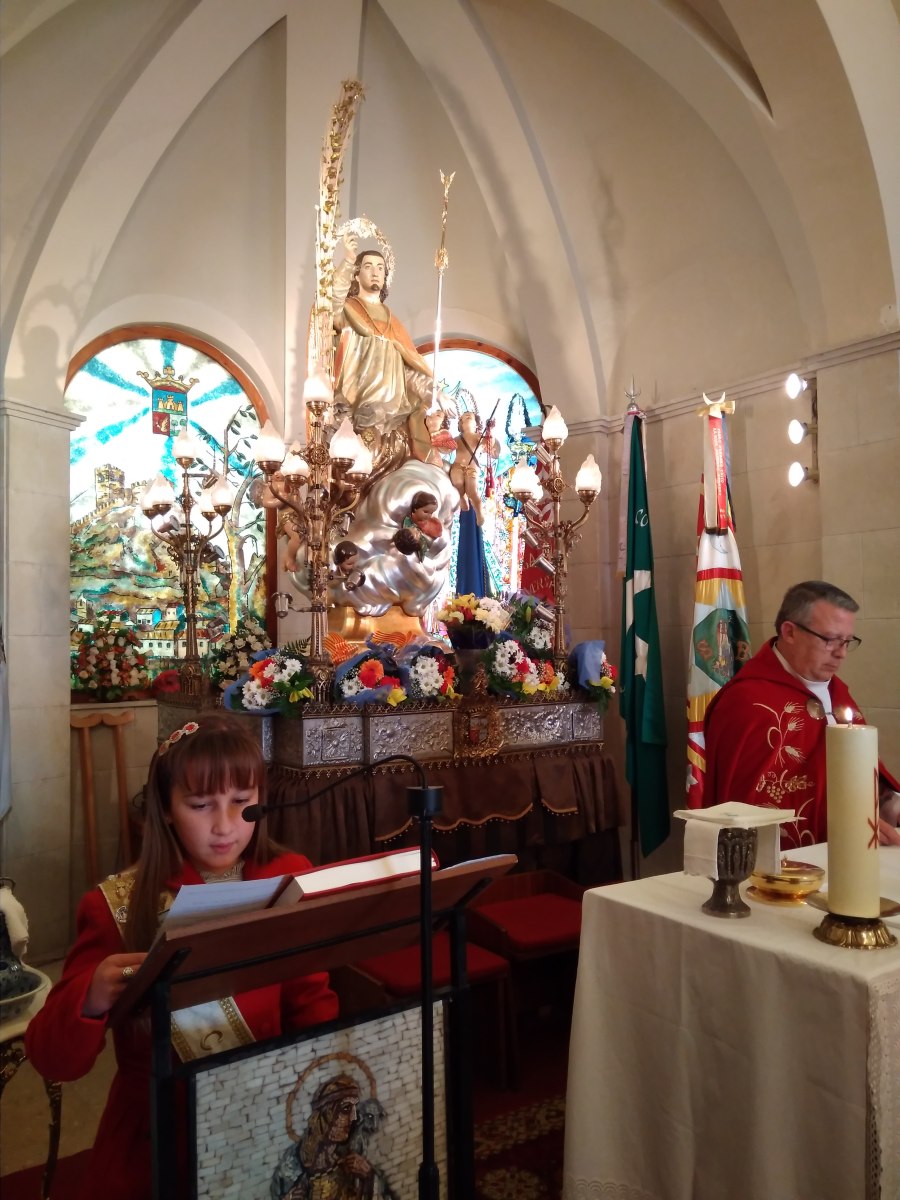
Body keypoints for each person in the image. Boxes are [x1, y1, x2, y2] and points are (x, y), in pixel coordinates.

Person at [26, 713, 338, 1200]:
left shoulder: (287, 877)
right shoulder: (117, 906)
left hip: (266, 1118)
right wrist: (89, 999)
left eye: (242, 802)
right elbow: (53, 1058)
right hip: (160, 1135)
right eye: (200, 805)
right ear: (167, 808)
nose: (225, 826)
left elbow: (310, 1001)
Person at [700, 580, 900, 849]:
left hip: (851, 850)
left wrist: (888, 803)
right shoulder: (746, 702)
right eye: (830, 640)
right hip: (785, 863)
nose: (841, 653)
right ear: (790, 632)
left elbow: (859, 768)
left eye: (847, 641)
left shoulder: (837, 693)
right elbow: (743, 807)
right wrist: (847, 822)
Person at [332, 233, 435, 462]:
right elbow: (331, 303)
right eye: (368, 266)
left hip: (395, 414)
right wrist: (348, 260)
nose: (375, 272)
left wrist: (434, 390)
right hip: (360, 410)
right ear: (356, 275)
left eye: (380, 267)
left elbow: (408, 370)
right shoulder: (348, 310)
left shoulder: (393, 322)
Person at [448, 410, 499, 526]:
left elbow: (489, 443)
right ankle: (462, 498)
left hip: (472, 467)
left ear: (476, 424)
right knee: (457, 482)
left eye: (470, 417)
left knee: (472, 491)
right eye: (464, 418)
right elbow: (448, 447)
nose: (467, 418)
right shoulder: (457, 439)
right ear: (460, 424)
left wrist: (490, 430)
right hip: (457, 465)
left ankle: (479, 512)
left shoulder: (478, 437)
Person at [392, 490, 442, 561]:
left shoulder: (429, 522)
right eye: (426, 512)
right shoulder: (410, 523)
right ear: (415, 508)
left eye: (431, 513)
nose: (429, 515)